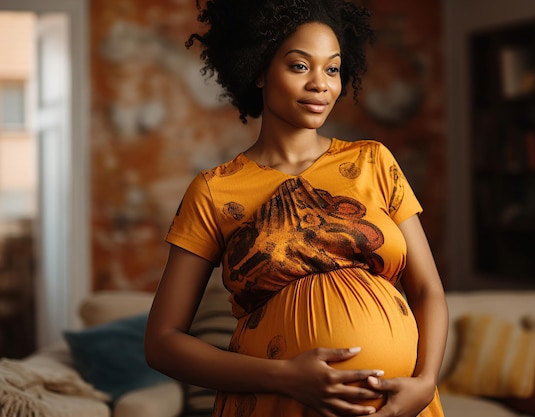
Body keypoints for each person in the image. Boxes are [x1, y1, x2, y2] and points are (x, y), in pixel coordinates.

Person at [144, 0, 449, 416]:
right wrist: (285, 377)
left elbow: (428, 290)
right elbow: (162, 342)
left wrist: (426, 381)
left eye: (333, 68)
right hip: (276, 404)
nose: (321, 84)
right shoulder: (215, 190)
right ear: (257, 70)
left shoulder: (373, 162)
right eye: (300, 66)